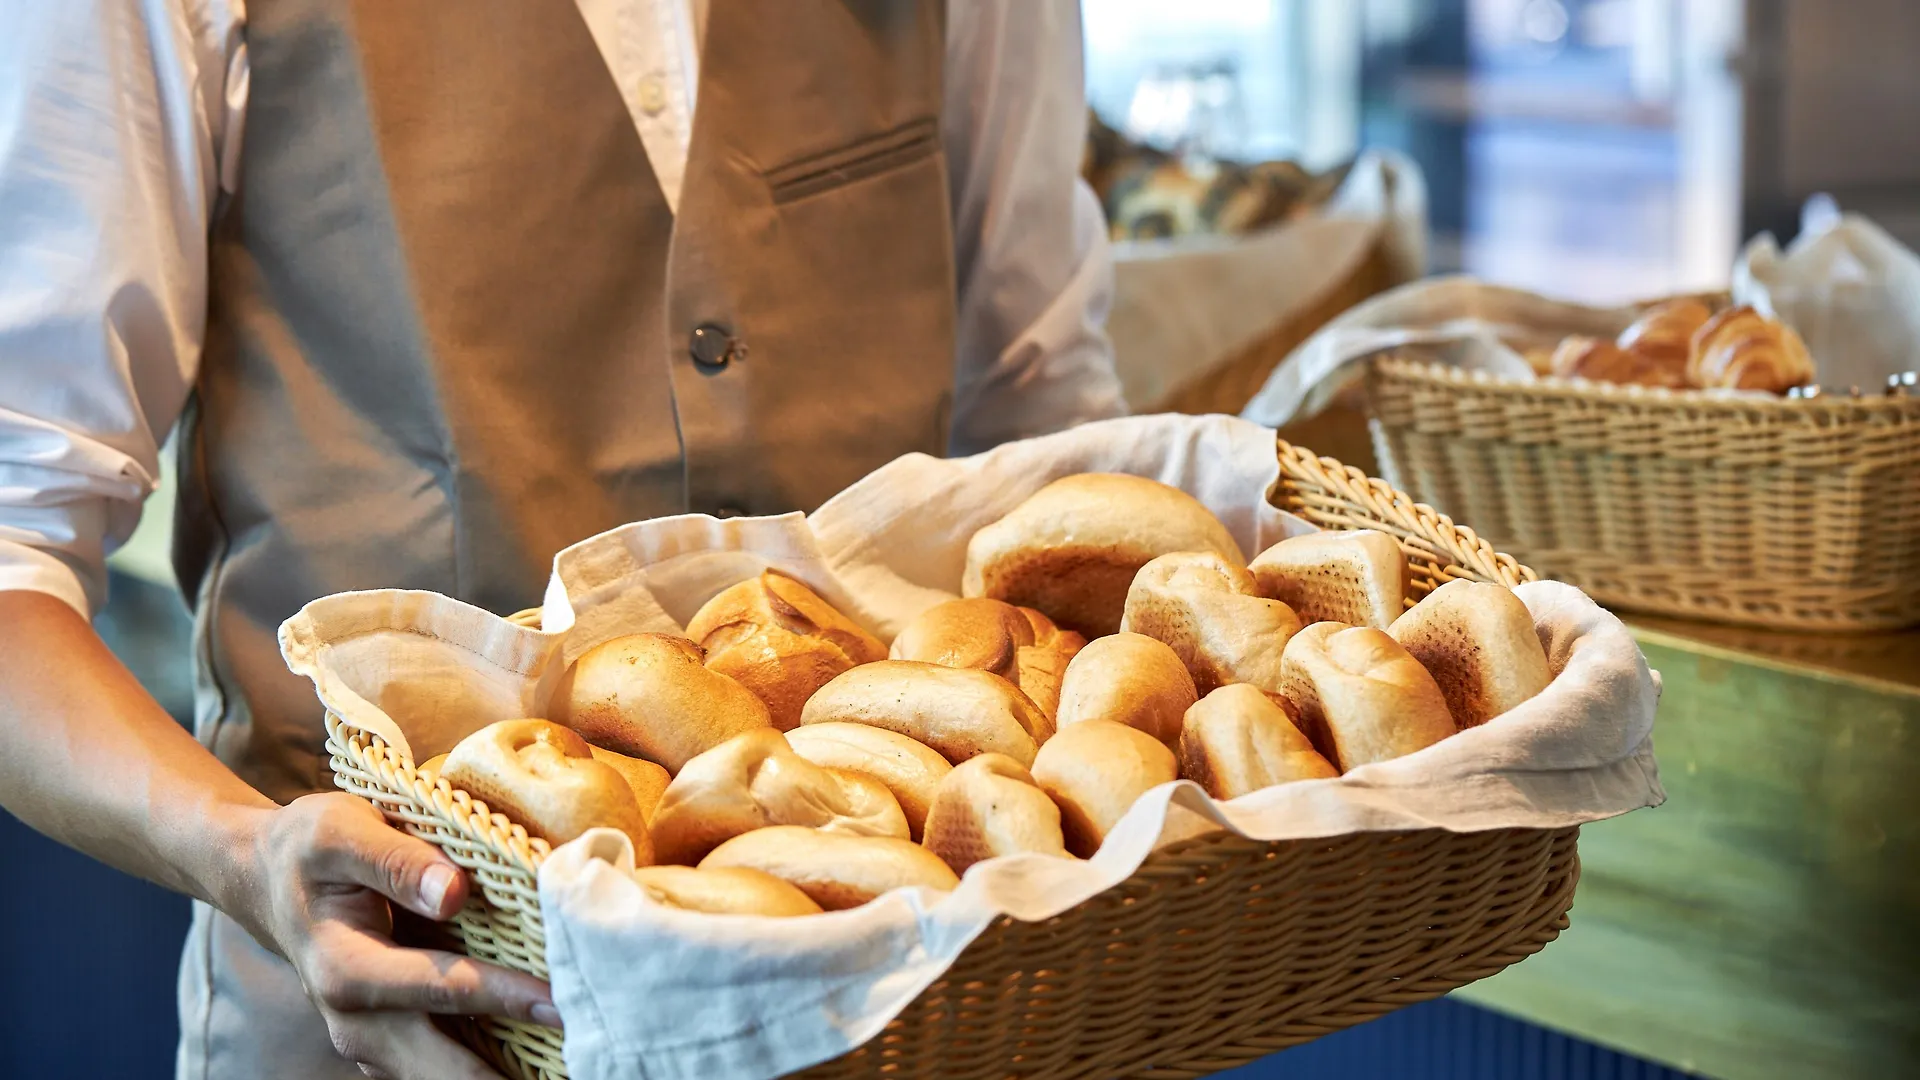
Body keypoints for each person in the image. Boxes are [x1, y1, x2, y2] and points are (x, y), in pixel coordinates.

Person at [0, 1, 1124, 1076]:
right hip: (394, 1012)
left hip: (903, 1011)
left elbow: (1044, 433)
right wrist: (244, 857)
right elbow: (15, 549)